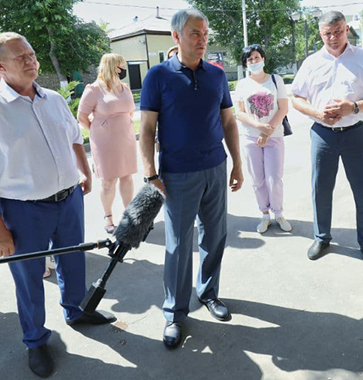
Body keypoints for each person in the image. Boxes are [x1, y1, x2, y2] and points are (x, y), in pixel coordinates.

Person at [0, 32, 114, 378]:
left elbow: (75, 138)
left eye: (32, 54)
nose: (31, 61)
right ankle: (35, 340)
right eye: (21, 57)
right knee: (29, 278)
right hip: (23, 210)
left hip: (68, 199)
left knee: (73, 261)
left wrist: (84, 173)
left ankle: (76, 310)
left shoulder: (54, 99)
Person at [139, 9, 243, 349]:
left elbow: (228, 123)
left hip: (215, 166)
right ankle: (175, 313)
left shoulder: (216, 75)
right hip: (177, 173)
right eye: (195, 33)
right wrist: (149, 171)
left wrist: (237, 164)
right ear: (176, 36)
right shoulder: (158, 76)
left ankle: (209, 293)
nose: (202, 39)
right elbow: (147, 128)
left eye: (205, 33)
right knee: (178, 245)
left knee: (215, 236)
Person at [291, 11, 363, 270]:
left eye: (337, 31)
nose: (333, 37)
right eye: (327, 33)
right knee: (320, 189)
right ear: (320, 34)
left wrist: (353, 107)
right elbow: (296, 98)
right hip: (322, 134)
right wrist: (316, 113)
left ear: (347, 29)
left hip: (357, 132)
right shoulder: (311, 63)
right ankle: (322, 237)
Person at [77, 53, 137, 234]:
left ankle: (129, 216)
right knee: (108, 181)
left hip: (126, 138)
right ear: (113, 66)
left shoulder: (124, 88)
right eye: (122, 65)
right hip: (104, 143)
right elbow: (81, 116)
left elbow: (131, 111)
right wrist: (98, 131)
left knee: (127, 177)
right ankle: (108, 217)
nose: (124, 69)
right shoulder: (94, 89)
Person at [235, 44, 292, 233]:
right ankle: (265, 214)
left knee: (274, 178)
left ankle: (278, 213)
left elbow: (283, 108)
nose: (253, 61)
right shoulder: (242, 84)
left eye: (256, 57)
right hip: (251, 138)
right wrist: (258, 127)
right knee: (257, 179)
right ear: (245, 64)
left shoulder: (276, 80)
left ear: (263, 59)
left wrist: (268, 131)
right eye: (249, 59)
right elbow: (240, 113)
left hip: (274, 137)